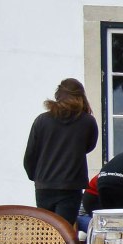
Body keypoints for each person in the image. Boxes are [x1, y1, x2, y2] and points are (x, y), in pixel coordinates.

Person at [23, 78, 99, 226]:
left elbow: (30, 154)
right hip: (71, 185)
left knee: (46, 233)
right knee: (64, 231)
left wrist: (37, 177)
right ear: (81, 97)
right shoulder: (87, 122)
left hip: (44, 185)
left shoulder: (42, 120)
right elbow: (89, 147)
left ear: (58, 96)